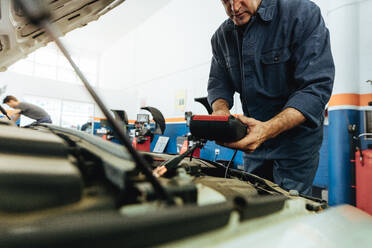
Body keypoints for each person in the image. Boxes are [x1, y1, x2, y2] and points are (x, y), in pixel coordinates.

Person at [208, 0, 335, 195]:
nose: (233, 8)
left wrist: (267, 130)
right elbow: (219, 85)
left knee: (289, 212)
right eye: (226, 0)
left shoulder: (302, 14)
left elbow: (315, 88)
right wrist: (220, 112)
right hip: (254, 146)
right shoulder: (221, 38)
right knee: (255, 204)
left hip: (295, 147)